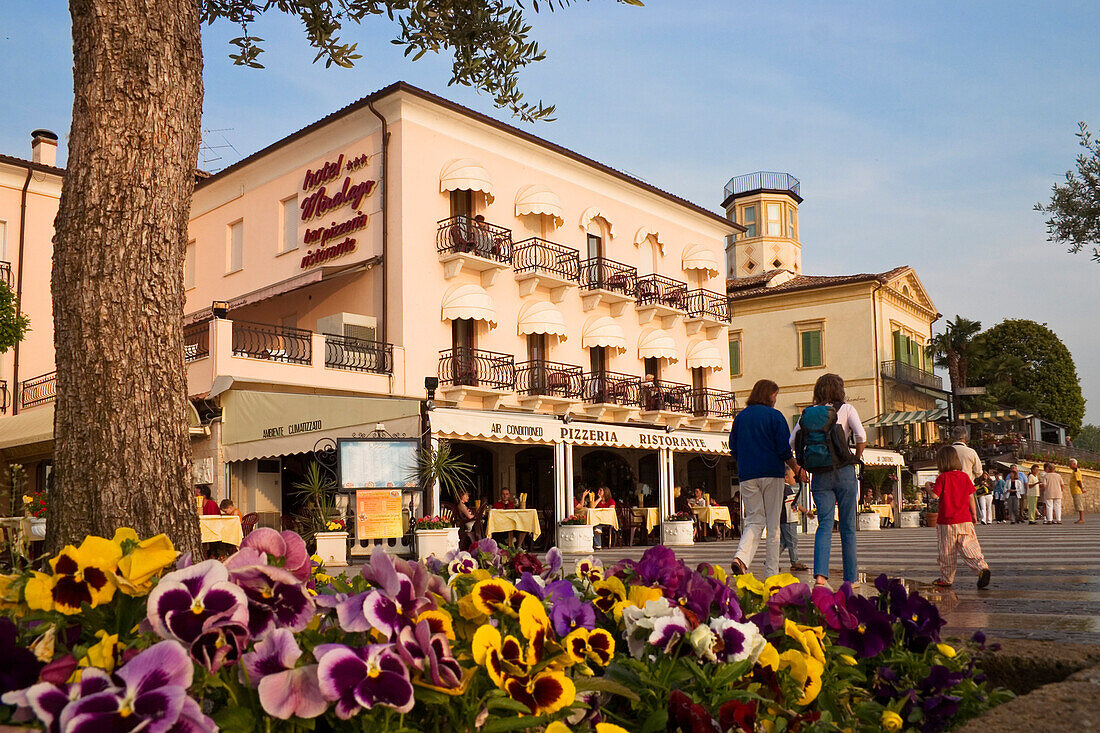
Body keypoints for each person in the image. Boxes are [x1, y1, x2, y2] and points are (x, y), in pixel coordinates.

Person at [791, 373, 866, 587]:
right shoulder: (847, 409)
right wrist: (855, 458)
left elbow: (792, 440)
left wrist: (800, 467)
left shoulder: (807, 413)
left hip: (819, 474)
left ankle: (821, 577)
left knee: (824, 524)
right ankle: (850, 579)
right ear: (839, 390)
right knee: (847, 526)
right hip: (844, 472)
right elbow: (861, 436)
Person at [729, 379, 807, 579]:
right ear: (768, 395)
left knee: (754, 519)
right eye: (775, 395)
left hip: (747, 476)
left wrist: (747, 461)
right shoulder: (775, 416)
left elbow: (733, 447)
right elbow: (783, 449)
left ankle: (741, 558)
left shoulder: (741, 417)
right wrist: (796, 468)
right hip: (772, 473)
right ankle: (771, 572)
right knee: (773, 525)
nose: (775, 399)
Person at [931, 446, 991, 589]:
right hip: (965, 519)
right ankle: (981, 568)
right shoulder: (964, 477)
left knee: (947, 551)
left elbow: (934, 496)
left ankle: (946, 579)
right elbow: (971, 497)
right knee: (969, 545)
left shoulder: (942, 478)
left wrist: (928, 487)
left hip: (946, 521)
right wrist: (974, 514)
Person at [780, 467, 811, 572]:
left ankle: (771, 560)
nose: (795, 479)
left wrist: (806, 511)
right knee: (792, 541)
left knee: (783, 542)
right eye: (793, 477)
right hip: (788, 519)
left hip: (786, 519)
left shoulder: (786, 489)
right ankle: (795, 561)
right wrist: (806, 511)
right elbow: (795, 504)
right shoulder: (786, 489)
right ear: (786, 478)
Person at [1070, 459, 1088, 524]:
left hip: (1077, 490)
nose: (1069, 465)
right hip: (1074, 490)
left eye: (1071, 464)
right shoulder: (1074, 471)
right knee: (1078, 504)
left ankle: (1081, 518)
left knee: (1079, 504)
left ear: (1074, 464)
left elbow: (1079, 481)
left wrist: (1081, 488)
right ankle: (1080, 518)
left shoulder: (1076, 471)